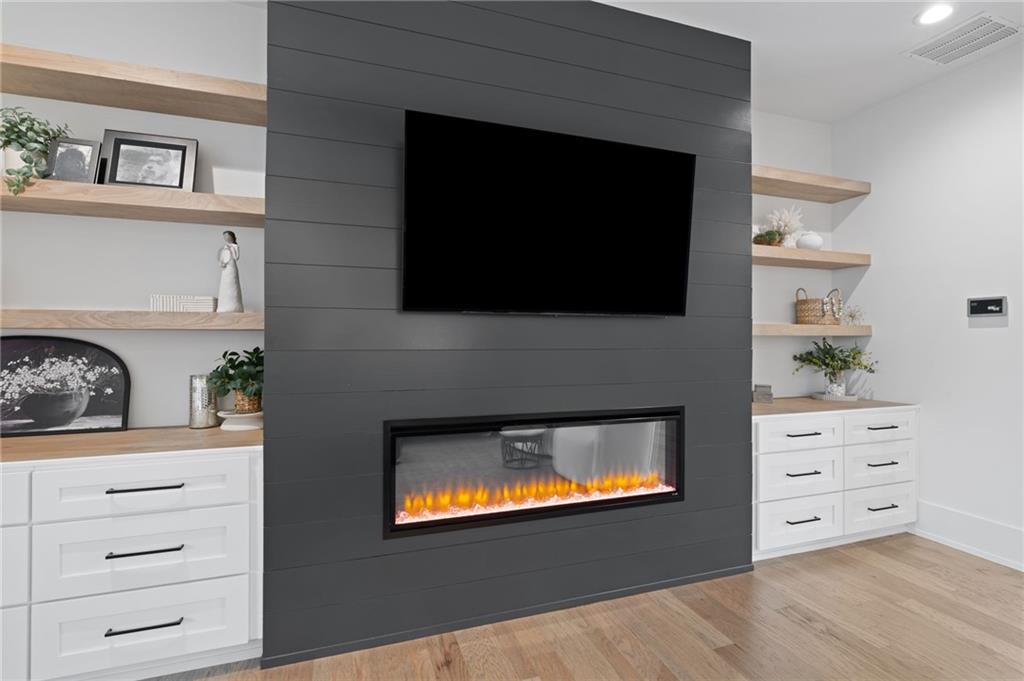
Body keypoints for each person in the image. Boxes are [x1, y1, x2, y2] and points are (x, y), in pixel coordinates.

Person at [217, 231, 243, 312]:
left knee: (232, 283)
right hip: (225, 268)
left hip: (232, 267)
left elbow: (236, 257)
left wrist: (231, 249)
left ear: (232, 237)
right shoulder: (224, 247)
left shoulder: (235, 246)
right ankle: (223, 306)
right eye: (224, 236)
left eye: (227, 236)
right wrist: (221, 263)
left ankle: (235, 307)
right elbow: (222, 257)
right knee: (224, 284)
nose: (225, 238)